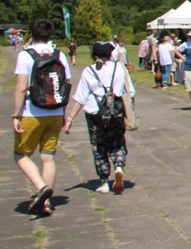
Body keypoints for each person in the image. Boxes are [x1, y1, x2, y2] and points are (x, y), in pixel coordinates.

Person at [13, 19, 71, 216]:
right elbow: (66, 84)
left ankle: (40, 187)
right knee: (48, 157)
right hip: (55, 111)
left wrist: (16, 114)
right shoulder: (59, 55)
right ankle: (47, 204)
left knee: (21, 154)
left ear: (32, 34)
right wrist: (64, 112)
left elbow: (21, 87)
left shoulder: (26, 56)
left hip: (32, 112)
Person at [63, 41, 134, 194]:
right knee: (117, 141)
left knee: (98, 145)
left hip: (96, 113)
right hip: (116, 111)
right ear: (110, 54)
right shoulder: (119, 68)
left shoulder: (89, 71)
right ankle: (119, 167)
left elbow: (80, 98)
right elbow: (129, 91)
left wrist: (70, 119)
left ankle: (103, 181)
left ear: (94, 56)